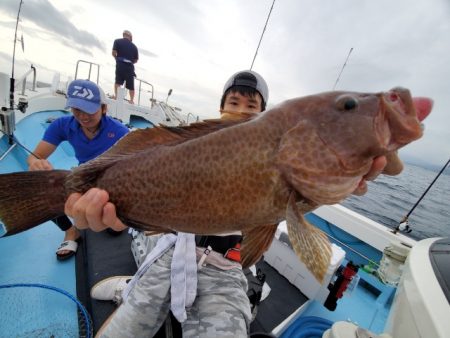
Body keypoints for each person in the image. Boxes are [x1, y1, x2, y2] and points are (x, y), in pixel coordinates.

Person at [65, 71, 388, 337]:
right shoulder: (196, 148)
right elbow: (131, 214)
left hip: (227, 267)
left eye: (252, 105)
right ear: (220, 109)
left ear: (265, 116)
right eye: (233, 101)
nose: (242, 109)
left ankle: (134, 288)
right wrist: (114, 213)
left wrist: (330, 184)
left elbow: (263, 236)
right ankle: (132, 289)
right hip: (168, 251)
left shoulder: (278, 158)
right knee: (125, 327)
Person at [28, 79, 129, 260]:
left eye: (89, 110)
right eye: (77, 109)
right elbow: (35, 156)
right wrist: (36, 163)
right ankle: (70, 231)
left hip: (109, 179)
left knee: (113, 229)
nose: (83, 116)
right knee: (41, 187)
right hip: (82, 175)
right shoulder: (62, 125)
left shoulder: (120, 132)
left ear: (104, 108)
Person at [112, 30, 139, 104]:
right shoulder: (134, 47)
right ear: (130, 37)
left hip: (120, 64)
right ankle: (131, 100)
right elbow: (136, 60)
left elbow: (113, 53)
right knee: (131, 85)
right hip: (129, 67)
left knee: (118, 81)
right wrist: (130, 62)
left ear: (124, 35)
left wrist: (117, 59)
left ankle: (116, 96)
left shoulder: (117, 41)